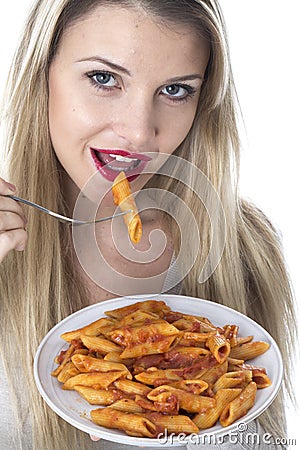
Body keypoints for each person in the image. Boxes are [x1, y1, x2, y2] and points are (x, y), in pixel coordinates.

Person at [0, 0, 296, 449]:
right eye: (104, 78)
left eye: (176, 90)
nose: (139, 131)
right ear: (41, 76)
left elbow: (262, 439)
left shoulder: (248, 246)